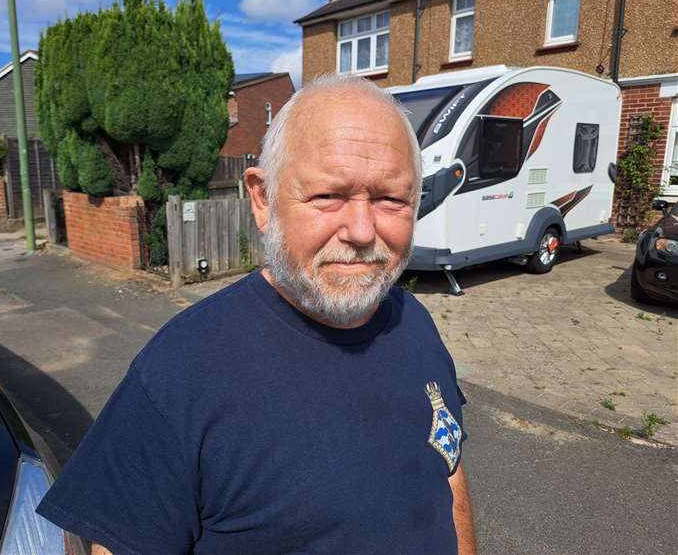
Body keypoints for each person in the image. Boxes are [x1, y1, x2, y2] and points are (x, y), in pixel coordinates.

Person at [37, 73, 476, 555]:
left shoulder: (413, 324)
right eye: (328, 196)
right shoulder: (180, 372)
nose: (361, 230)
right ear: (263, 199)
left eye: (391, 198)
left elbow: (448, 475)